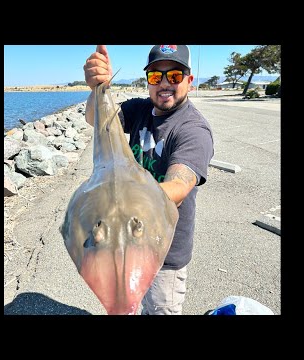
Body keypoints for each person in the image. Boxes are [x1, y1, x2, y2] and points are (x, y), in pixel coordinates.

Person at [83, 45, 214, 315]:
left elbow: (179, 186)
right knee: (128, 303)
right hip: (127, 241)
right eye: (156, 77)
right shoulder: (139, 109)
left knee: (160, 308)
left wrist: (122, 199)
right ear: (148, 82)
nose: (164, 84)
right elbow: (96, 120)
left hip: (164, 252)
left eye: (174, 76)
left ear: (189, 81)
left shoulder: (193, 129)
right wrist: (97, 88)